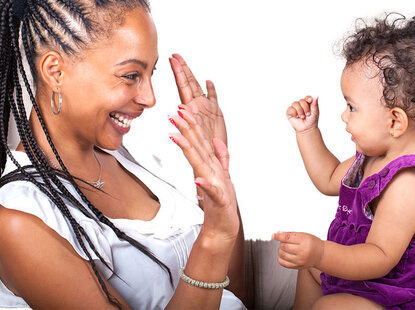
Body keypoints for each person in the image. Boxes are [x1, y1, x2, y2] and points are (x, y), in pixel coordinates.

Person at [0, 0, 246, 309]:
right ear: (55, 70)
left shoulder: (130, 155)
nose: (150, 98)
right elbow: (215, 251)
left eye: (150, 73)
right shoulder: (20, 220)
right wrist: (212, 238)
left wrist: (215, 176)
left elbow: (234, 295)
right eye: (131, 75)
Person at [273, 14, 415, 309]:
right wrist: (308, 132)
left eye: (352, 107)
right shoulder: (371, 157)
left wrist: (320, 252)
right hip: (372, 284)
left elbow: (378, 256)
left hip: (408, 297)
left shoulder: (409, 182)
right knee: (312, 272)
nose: (344, 115)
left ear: (394, 121)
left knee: (330, 305)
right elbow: (328, 178)